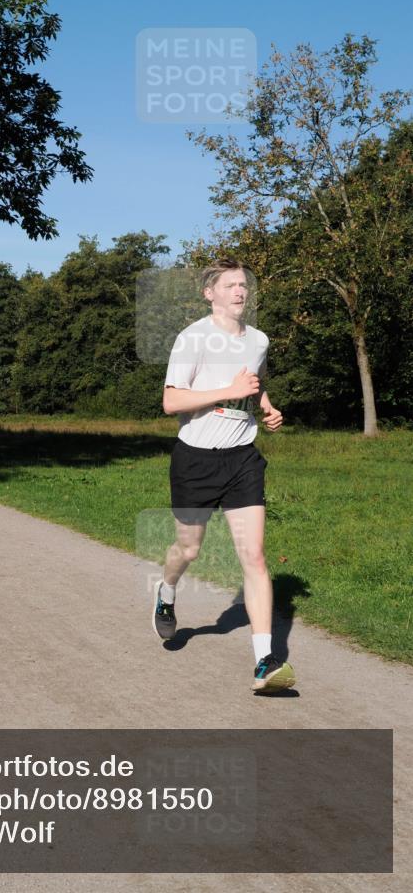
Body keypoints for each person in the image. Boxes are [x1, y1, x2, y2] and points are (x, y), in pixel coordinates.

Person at [152, 258, 296, 694]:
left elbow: (252, 380)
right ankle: (167, 588)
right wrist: (228, 392)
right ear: (209, 293)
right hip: (196, 459)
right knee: (189, 549)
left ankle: (264, 662)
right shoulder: (193, 338)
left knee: (253, 557)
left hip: (242, 460)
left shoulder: (258, 339)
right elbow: (171, 402)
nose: (239, 291)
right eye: (230, 285)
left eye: (243, 285)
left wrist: (266, 407)